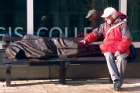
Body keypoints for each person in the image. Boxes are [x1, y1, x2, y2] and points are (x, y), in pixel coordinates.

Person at [80, 7, 132, 91]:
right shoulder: (104, 26)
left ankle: (119, 81)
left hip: (121, 48)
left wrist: (119, 50)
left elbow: (127, 39)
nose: (105, 18)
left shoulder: (123, 25)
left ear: (113, 16)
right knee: (108, 55)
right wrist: (86, 40)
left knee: (121, 59)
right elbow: (95, 34)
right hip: (109, 48)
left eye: (107, 17)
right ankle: (116, 80)